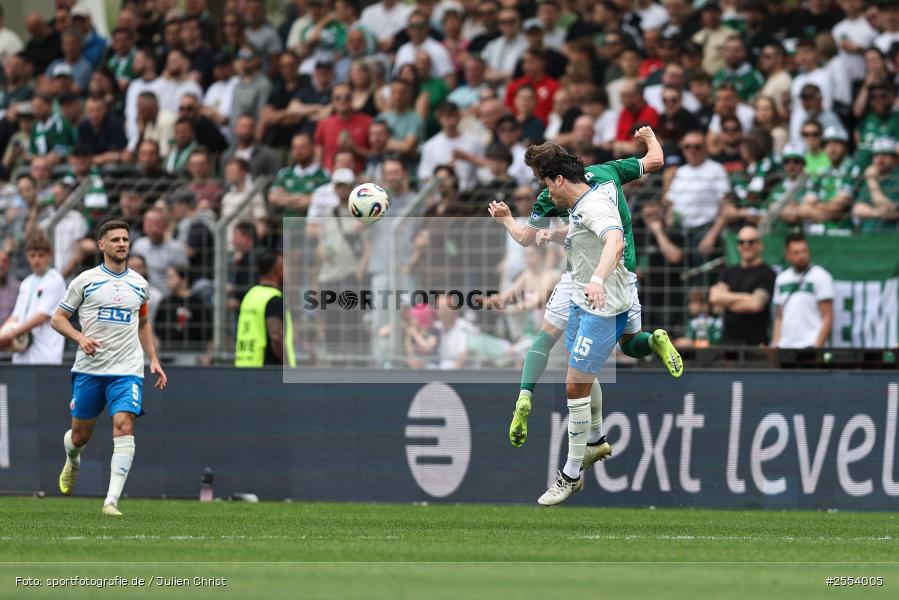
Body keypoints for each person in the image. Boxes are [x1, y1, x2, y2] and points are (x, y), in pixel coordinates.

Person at [489, 130, 682, 452]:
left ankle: (530, 399)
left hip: (585, 275)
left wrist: (507, 220)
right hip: (624, 272)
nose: (543, 186)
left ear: (554, 177)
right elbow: (657, 160)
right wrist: (649, 137)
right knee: (629, 344)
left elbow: (525, 238)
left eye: (542, 178)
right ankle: (654, 340)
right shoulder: (608, 171)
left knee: (548, 337)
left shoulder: (547, 198)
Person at [521, 146, 631, 505]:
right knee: (578, 377)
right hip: (584, 301)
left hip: (604, 304)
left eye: (548, 186)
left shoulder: (595, 205)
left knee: (573, 387)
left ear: (559, 179)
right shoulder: (581, 206)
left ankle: (570, 474)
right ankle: (594, 443)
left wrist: (598, 279)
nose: (546, 195)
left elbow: (615, 240)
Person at [50, 219, 167, 516]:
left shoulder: (140, 285)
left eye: (125, 239)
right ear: (102, 245)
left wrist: (152, 358)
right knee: (80, 437)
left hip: (127, 369)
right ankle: (72, 459)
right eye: (115, 239)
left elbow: (143, 323)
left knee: (125, 424)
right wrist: (80, 338)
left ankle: (111, 501)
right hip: (90, 370)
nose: (122, 244)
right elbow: (58, 319)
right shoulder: (85, 281)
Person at [0, 231, 66, 364]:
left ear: (49, 256)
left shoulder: (55, 280)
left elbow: (41, 317)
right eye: (32, 255)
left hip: (46, 354)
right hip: (22, 353)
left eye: (41, 255)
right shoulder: (26, 282)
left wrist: (10, 335)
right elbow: (15, 316)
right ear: (27, 257)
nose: (36, 259)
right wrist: (1, 334)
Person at [708, 225, 776, 346]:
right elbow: (715, 300)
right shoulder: (728, 272)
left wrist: (726, 299)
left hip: (755, 345)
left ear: (760, 245)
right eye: (741, 242)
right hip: (727, 343)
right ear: (738, 246)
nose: (746, 245)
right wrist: (747, 298)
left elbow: (756, 304)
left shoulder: (768, 274)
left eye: (751, 241)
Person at [771, 233, 834, 349]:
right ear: (787, 255)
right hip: (785, 347)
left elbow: (828, 316)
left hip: (809, 346)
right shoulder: (781, 279)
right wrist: (776, 344)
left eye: (804, 251)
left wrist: (817, 347)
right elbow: (779, 316)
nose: (801, 256)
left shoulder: (821, 276)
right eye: (796, 253)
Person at [235, 251, 296, 367]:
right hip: (268, 371)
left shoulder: (250, 296)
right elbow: (276, 338)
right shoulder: (274, 299)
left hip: (245, 365)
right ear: (279, 270)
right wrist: (287, 366)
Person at [153, 265, 212, 350]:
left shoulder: (197, 302)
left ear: (183, 280)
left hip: (193, 353)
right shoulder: (165, 302)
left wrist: (207, 356)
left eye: (171, 277)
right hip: (168, 355)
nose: (167, 281)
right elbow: (157, 331)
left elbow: (208, 332)